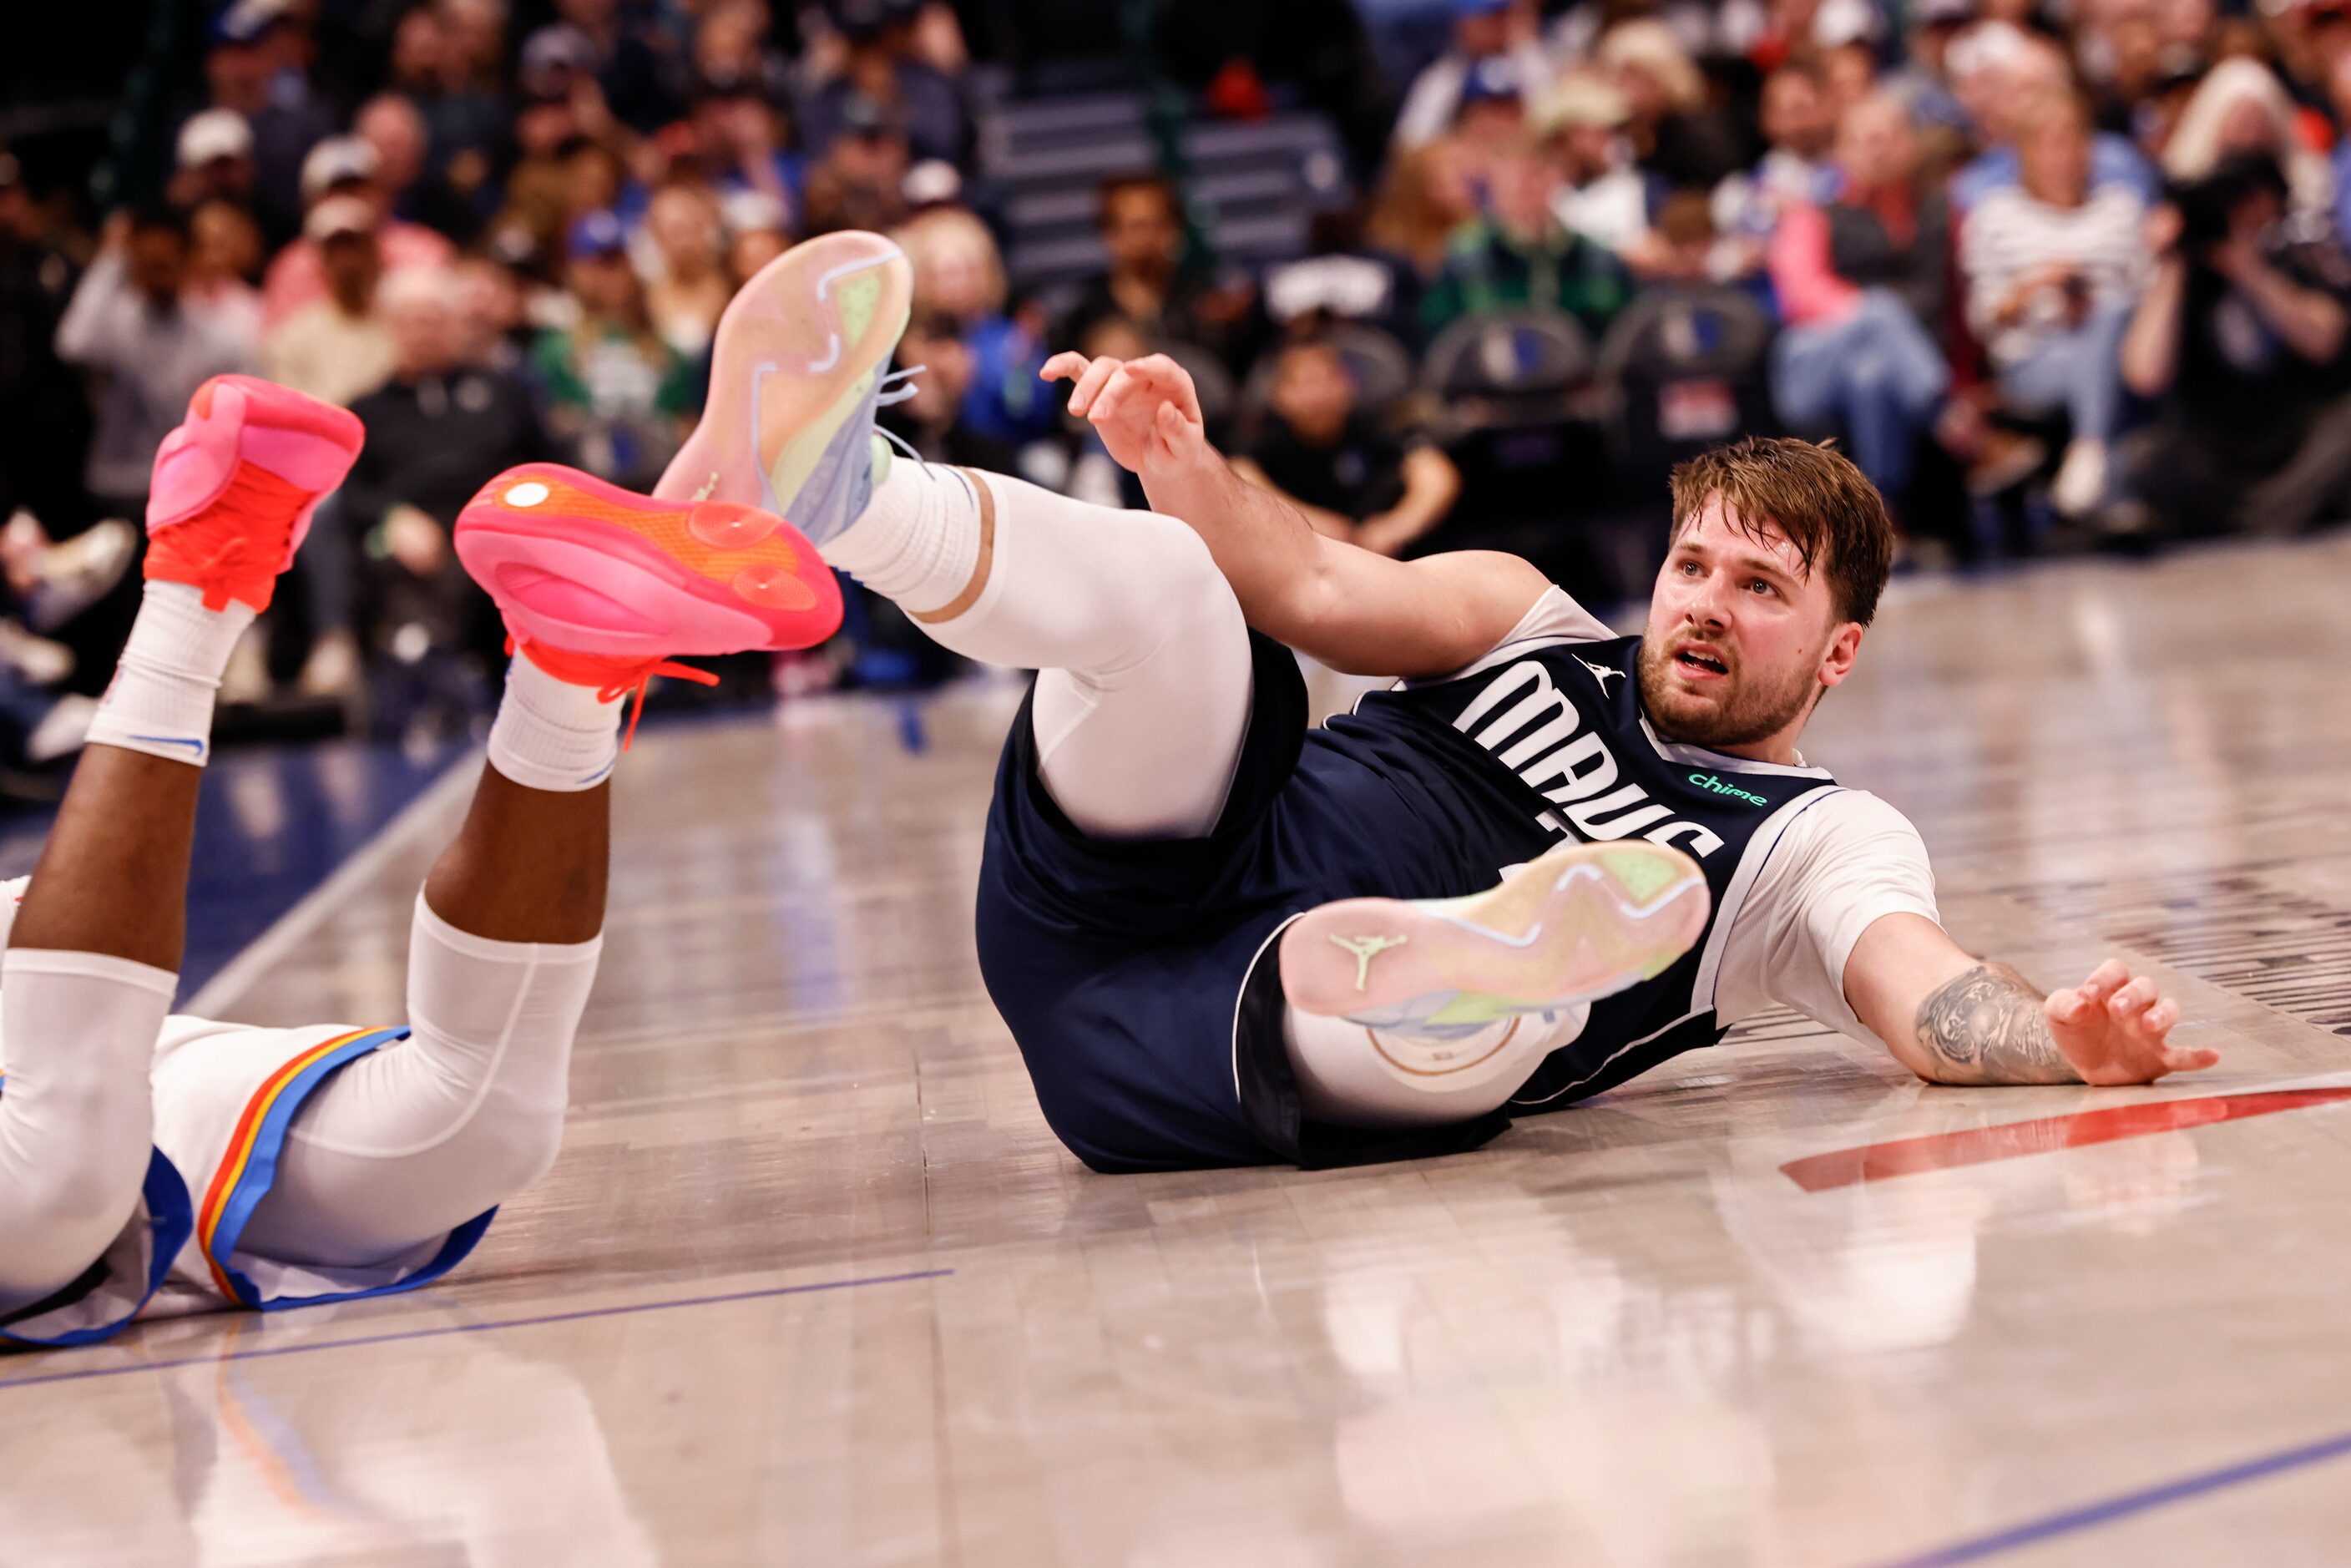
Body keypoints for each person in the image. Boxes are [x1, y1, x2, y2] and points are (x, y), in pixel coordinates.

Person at [660, 230, 2216, 1174]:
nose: (1704, 607)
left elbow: (1921, 993)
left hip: (1231, 1047)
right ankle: (834, 493)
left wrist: (2052, 1039)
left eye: (1761, 590)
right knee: (1192, 592)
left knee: (1475, 1039)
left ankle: (1482, 958)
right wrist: (1182, 464)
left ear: (1839, 650)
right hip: (1144, 865)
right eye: (1693, 567)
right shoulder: (1525, 618)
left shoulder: (1812, 844)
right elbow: (1318, 589)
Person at [0, 371, 845, 1347]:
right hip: (80, 1075)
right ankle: (569, 665)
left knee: (47, 1193)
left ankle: (201, 571)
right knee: (477, 1128)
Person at [2119, 150, 2351, 537]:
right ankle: (2269, 519)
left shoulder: (2292, 261)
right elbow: (2145, 375)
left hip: (2294, 446)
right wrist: (2172, 263)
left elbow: (2325, 341)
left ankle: (2255, 521)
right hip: (2214, 453)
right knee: (2143, 458)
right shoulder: (2184, 282)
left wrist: (2250, 271)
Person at [1767, 94, 1959, 510]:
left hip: (1883, 369)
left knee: (1870, 375)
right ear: (1841, 152)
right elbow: (1801, 297)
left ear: (1910, 145)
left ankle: (1883, 511)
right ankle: (1947, 414)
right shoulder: (1810, 215)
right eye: (1865, 139)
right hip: (1809, 365)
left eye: (1888, 137)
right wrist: (1875, 313)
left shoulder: (1936, 211)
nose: (1878, 149)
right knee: (1881, 310)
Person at [1960, 92, 2146, 515]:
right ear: (2025, 153)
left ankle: (2089, 455)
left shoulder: (2120, 208)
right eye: (2046, 143)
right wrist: (2036, 287)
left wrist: (2090, 304)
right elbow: (1983, 320)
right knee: (2096, 352)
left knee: (2113, 310)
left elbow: (2144, 293)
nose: (2060, 155)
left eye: (2070, 141)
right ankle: (2103, 470)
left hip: (2117, 343)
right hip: (2032, 357)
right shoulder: (1996, 215)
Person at [54, 207, 258, 516]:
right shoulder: (114, 323)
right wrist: (112, 257)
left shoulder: (216, 336)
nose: (156, 276)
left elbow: (248, 412)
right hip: (118, 487)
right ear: (133, 264)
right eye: (147, 264)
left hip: (191, 490)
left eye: (164, 264)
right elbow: (73, 345)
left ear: (187, 260)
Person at [1231, 336, 1460, 557]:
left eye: (1326, 380)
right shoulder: (1262, 442)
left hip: (1384, 557)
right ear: (1278, 394)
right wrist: (1308, 522)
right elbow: (1238, 477)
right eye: (1304, 384)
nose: (1317, 395)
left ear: (1347, 384)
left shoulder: (1375, 426)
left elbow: (1434, 474)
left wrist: (1396, 528)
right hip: (1299, 562)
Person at [531, 210, 698, 488]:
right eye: (597, 263)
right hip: (585, 488)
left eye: (617, 260)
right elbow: (548, 428)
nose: (610, 274)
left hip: (658, 484)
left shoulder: (667, 351)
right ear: (576, 271)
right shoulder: (554, 351)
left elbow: (688, 426)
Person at [1421, 134, 1635, 338]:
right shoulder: (1466, 261)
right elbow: (1439, 344)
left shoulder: (1599, 259)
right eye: (1506, 180)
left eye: (1531, 176)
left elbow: (1624, 340)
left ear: (1556, 176)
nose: (1519, 189)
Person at [263, 196, 399, 407]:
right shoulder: (292, 337)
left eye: (357, 247)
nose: (349, 262)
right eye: (336, 251)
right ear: (321, 261)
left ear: (376, 254)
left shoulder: (404, 326)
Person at [1393, 0, 1554, 152]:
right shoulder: (1439, 81)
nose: (1498, 24)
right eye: (1488, 17)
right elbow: (1410, 147)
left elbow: (1554, 125)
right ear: (1463, 22)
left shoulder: (1535, 62)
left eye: (1503, 14)